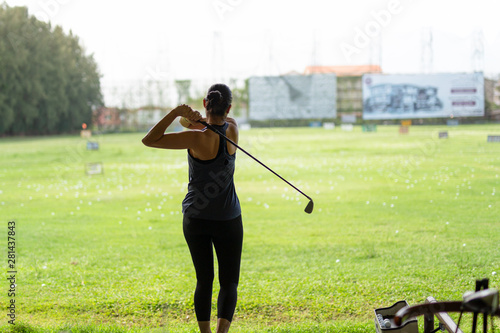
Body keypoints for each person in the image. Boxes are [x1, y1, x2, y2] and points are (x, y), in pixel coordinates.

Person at [142, 83, 243, 333]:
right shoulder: (233, 129)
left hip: (196, 219)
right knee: (229, 282)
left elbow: (149, 140)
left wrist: (178, 112)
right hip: (229, 218)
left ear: (205, 103)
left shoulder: (196, 136)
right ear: (229, 107)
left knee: (204, 280)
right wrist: (200, 118)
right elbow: (222, 120)